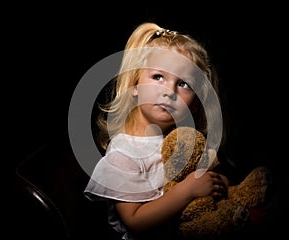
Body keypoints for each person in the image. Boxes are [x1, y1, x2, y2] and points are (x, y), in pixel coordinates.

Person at [84, 22, 233, 240]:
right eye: (158, 77)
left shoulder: (183, 142)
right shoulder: (123, 155)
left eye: (184, 84)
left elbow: (211, 179)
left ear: (195, 104)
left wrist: (217, 184)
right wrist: (187, 190)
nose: (169, 92)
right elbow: (136, 222)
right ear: (135, 85)